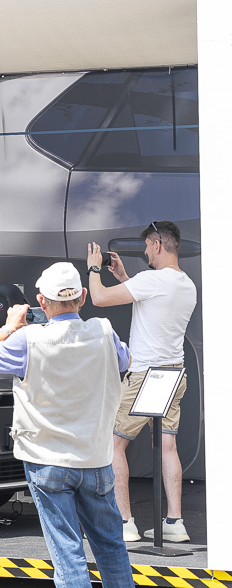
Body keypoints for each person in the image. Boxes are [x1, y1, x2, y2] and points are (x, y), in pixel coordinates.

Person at [0, 262, 133, 588]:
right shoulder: (105, 332)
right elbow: (124, 360)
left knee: (68, 553)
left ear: (41, 301)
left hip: (47, 459)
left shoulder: (28, 340)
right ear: (83, 296)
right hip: (95, 458)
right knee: (111, 546)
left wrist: (8, 327)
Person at [87, 221, 197, 543]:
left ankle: (125, 523)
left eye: (148, 246)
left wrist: (94, 268)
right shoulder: (186, 285)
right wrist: (124, 277)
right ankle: (175, 523)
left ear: (158, 244)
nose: (146, 252)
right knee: (167, 446)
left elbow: (99, 298)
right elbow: (150, 301)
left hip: (144, 376)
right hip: (173, 374)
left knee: (112, 443)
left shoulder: (152, 280)